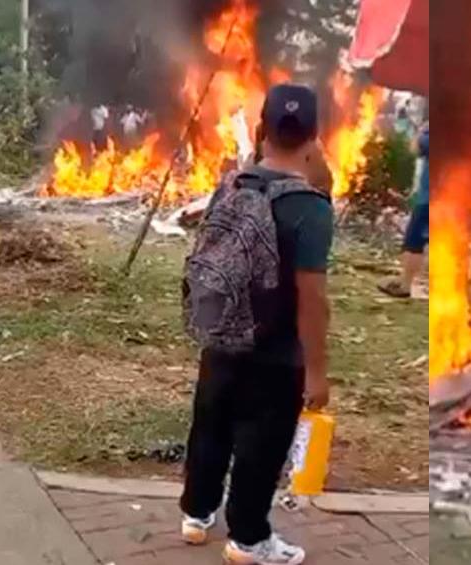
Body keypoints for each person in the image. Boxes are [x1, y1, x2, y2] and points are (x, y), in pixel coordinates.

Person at [179, 83, 334, 565]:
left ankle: (196, 515)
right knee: (261, 444)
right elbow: (312, 300)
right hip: (276, 350)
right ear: (314, 136)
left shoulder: (232, 184)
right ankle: (248, 540)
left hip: (221, 335)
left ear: (262, 127)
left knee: (210, 425)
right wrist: (317, 371)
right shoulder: (309, 208)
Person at [379, 123, 429, 299]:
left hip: (427, 201)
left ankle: (405, 285)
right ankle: (405, 280)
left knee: (413, 243)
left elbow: (414, 147)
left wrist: (422, 130)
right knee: (420, 242)